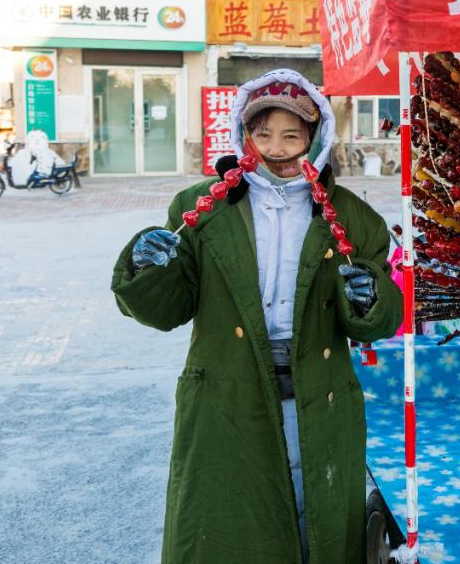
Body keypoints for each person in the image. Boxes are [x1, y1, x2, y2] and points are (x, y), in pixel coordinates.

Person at [111, 69, 402, 564]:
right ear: (243, 136)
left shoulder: (351, 215)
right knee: (228, 518)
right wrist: (146, 266)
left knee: (318, 514)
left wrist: (370, 297)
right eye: (263, 133)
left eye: (292, 135)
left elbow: (379, 321)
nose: (277, 147)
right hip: (227, 391)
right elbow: (169, 310)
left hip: (319, 391)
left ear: (315, 139)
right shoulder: (201, 208)